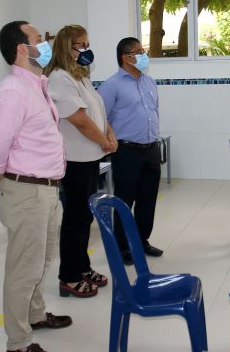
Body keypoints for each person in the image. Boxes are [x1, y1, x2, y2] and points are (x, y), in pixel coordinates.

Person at [0, 21, 71, 352]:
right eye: (38, 40)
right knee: (23, 268)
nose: (44, 44)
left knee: (43, 260)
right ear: (22, 48)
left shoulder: (37, 85)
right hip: (27, 190)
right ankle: (18, 342)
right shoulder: (14, 90)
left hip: (46, 189)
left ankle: (34, 315)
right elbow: (0, 138)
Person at [44, 25, 117, 298]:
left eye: (87, 44)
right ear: (67, 47)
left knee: (85, 216)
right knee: (75, 218)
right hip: (74, 159)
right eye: (81, 45)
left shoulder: (79, 76)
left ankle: (83, 267)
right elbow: (78, 119)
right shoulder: (59, 78)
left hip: (90, 156)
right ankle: (69, 276)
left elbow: (97, 111)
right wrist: (103, 140)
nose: (86, 50)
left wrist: (109, 133)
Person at [98, 37, 162, 265]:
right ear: (126, 58)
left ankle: (141, 241)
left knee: (148, 199)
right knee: (125, 200)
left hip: (151, 148)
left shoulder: (149, 82)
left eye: (143, 50)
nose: (144, 55)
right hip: (127, 151)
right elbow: (100, 117)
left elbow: (153, 113)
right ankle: (123, 246)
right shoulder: (112, 85)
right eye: (138, 51)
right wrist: (110, 138)